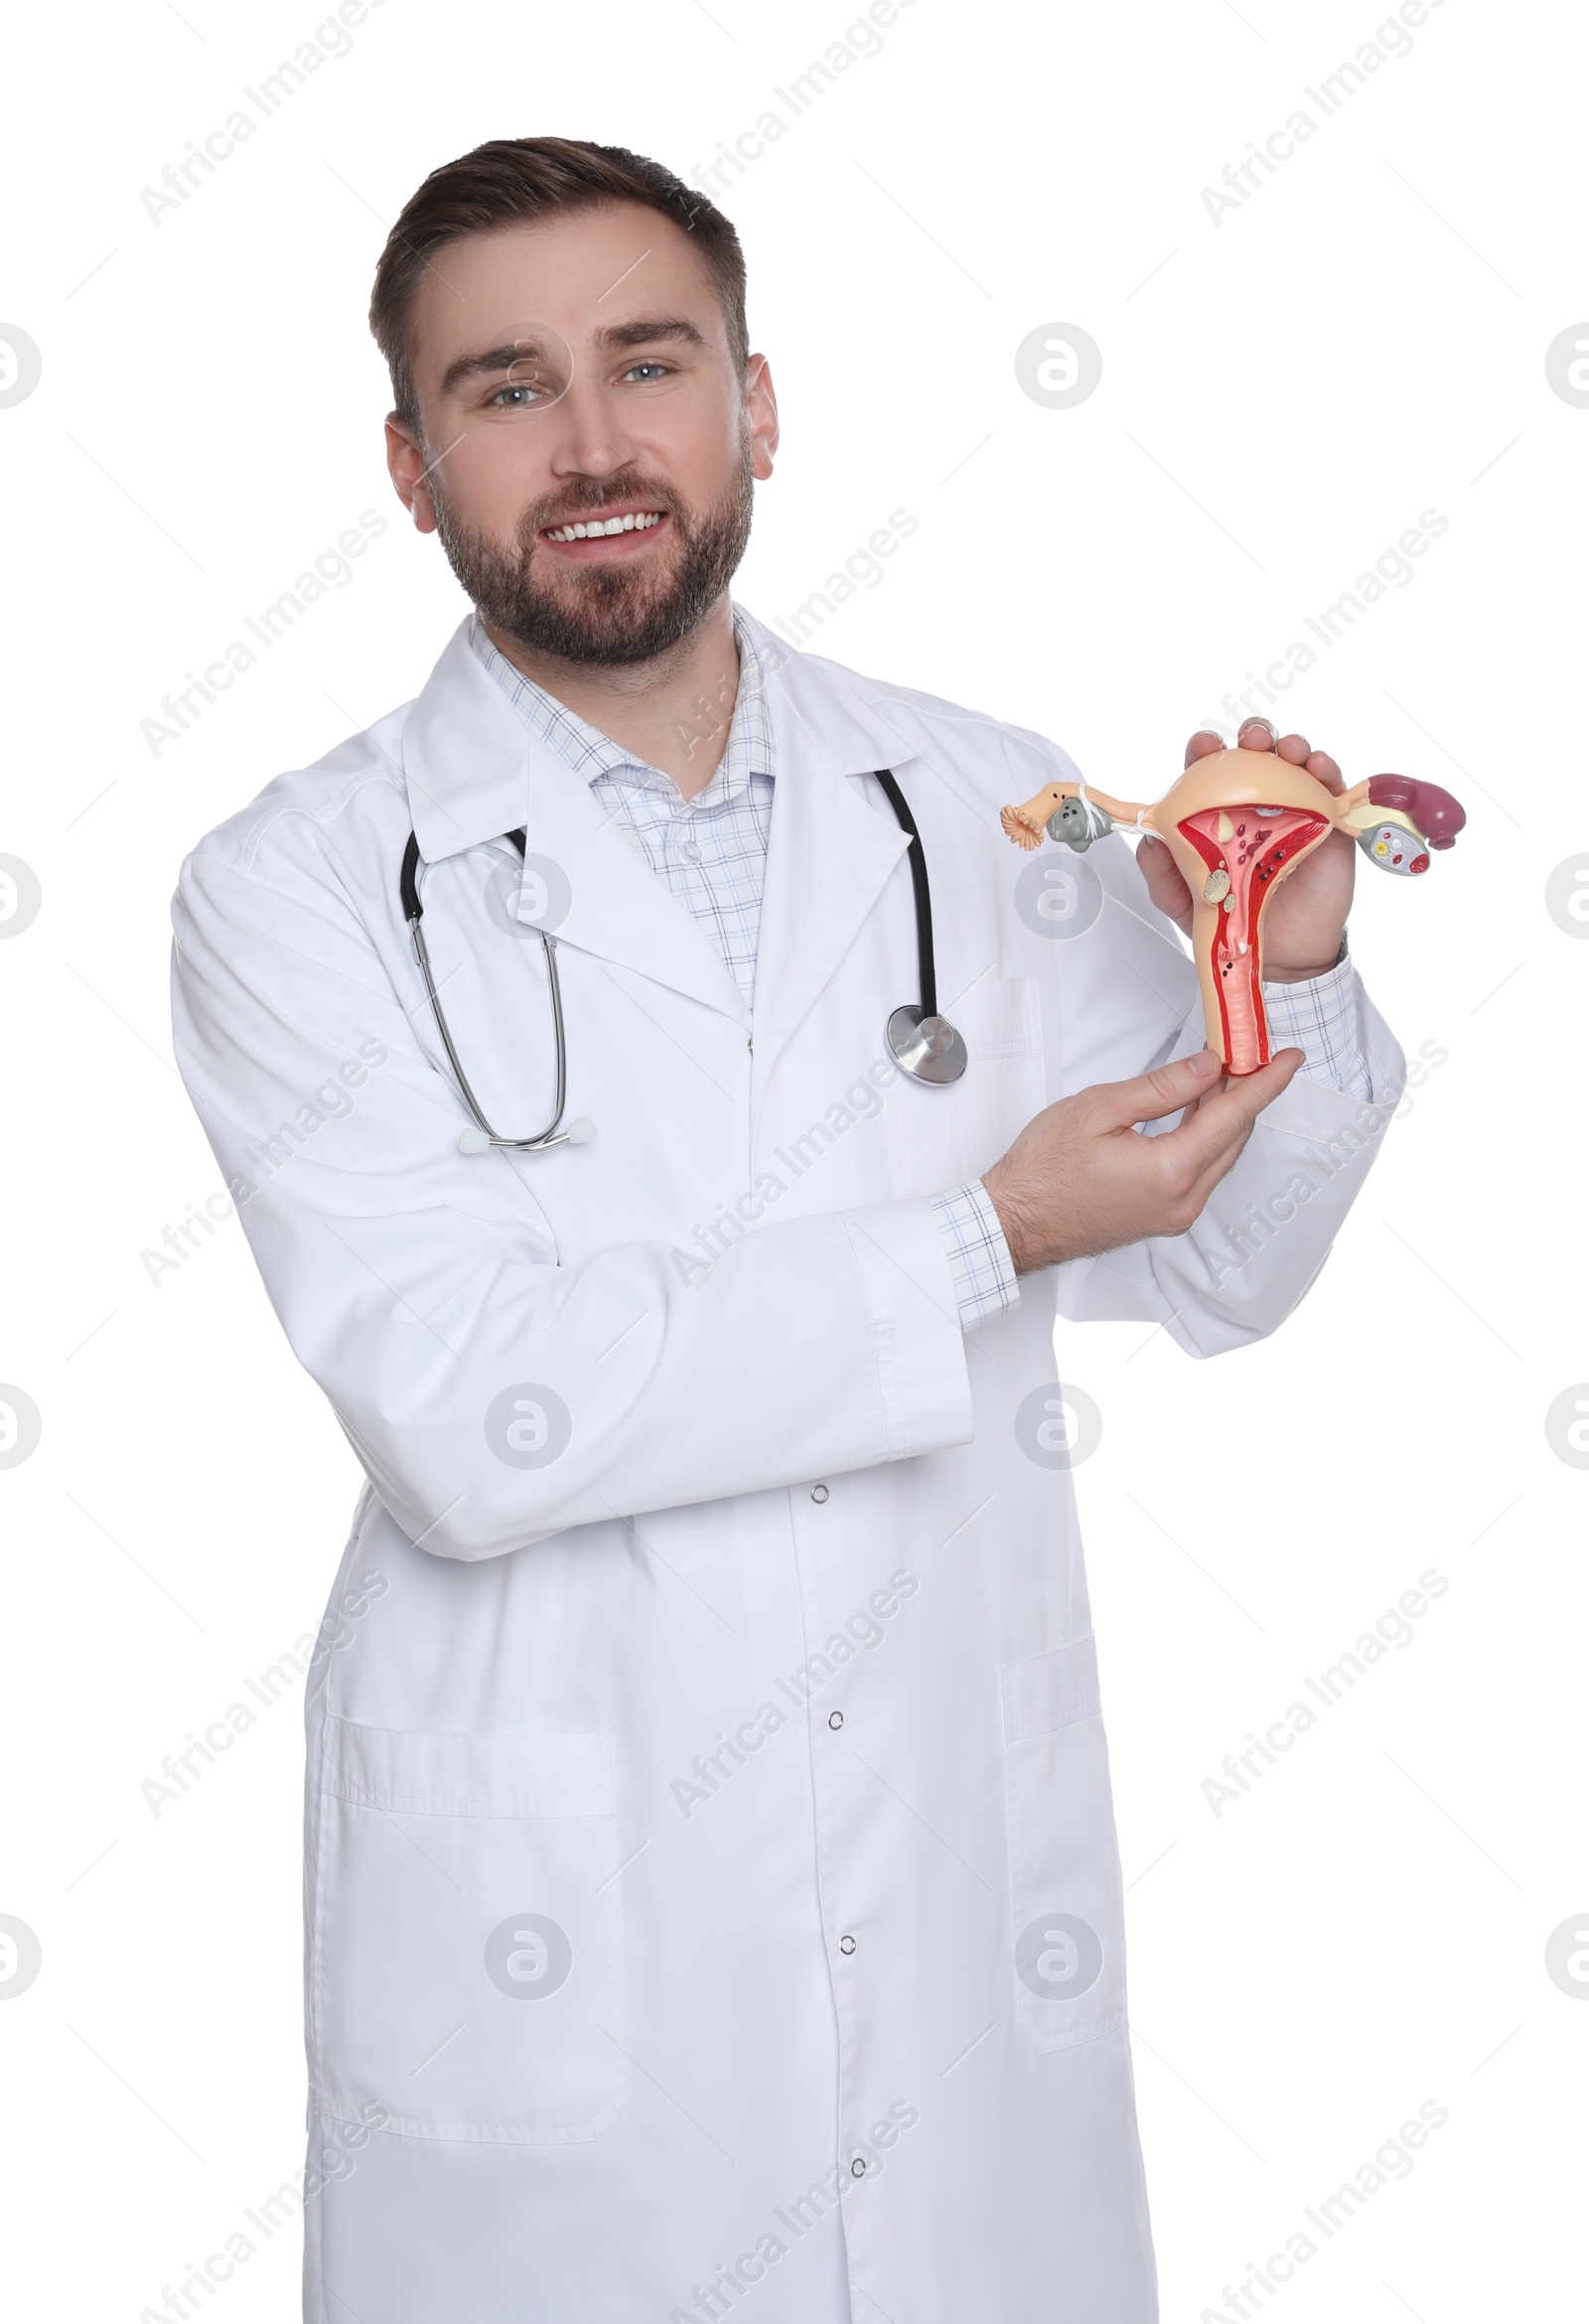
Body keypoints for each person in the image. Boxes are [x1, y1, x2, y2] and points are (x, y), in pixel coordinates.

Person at [169, 136, 1402, 2324]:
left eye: (648, 366)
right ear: (407, 460)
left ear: (757, 404)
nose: (592, 446)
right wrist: (976, 1239)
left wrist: (1267, 964)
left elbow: (1220, 1264)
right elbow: (468, 1413)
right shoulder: (302, 886)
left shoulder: (981, 803)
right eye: (503, 389)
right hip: (564, 1942)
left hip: (947, 1891)